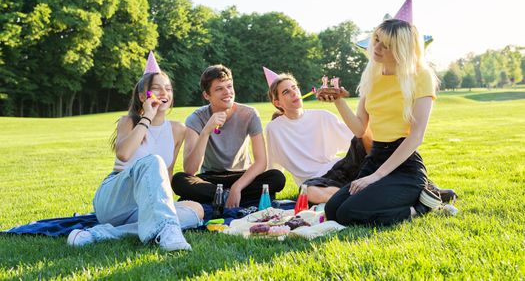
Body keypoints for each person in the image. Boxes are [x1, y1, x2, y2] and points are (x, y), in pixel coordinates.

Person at [67, 52, 203, 251]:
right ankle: (168, 231)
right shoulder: (129, 122)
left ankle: (99, 234)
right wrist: (147, 117)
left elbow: (168, 173)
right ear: (142, 96)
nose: (164, 93)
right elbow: (123, 154)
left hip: (144, 203)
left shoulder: (177, 129)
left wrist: (163, 207)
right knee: (153, 160)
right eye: (157, 89)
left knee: (196, 210)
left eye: (168, 89)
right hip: (115, 199)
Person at [323, 18, 446, 226]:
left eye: (386, 45)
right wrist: (338, 100)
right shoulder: (372, 74)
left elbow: (416, 137)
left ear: (401, 50)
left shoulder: (421, 76)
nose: (376, 47)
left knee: (348, 213)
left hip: (404, 165)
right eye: (376, 39)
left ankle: (421, 207)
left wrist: (376, 177)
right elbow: (360, 129)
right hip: (375, 158)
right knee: (333, 210)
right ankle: (414, 200)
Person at [171, 65, 286, 208]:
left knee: (276, 177)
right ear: (207, 95)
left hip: (242, 177)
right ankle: (227, 196)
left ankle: (221, 198)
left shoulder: (249, 114)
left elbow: (261, 162)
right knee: (179, 180)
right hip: (211, 179)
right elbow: (190, 170)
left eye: (229, 86)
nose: (227, 92)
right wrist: (206, 130)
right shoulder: (196, 118)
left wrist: (237, 187)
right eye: (219, 89)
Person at [265, 72, 372, 204]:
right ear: (278, 103)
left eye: (294, 87)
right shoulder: (274, 128)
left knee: (364, 140)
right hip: (316, 183)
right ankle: (357, 197)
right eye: (286, 92)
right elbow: (273, 166)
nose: (293, 93)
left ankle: (355, 193)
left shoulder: (322, 116)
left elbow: (357, 137)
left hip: (340, 168)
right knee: (308, 192)